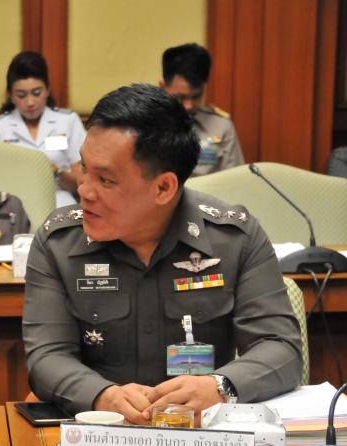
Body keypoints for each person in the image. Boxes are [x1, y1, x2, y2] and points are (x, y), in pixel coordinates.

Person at [23, 84, 302, 425]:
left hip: (203, 433)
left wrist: (220, 386)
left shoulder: (233, 239)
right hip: (99, 429)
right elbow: (46, 356)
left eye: (106, 180)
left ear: (163, 187)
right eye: (84, 169)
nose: (84, 191)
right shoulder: (59, 242)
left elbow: (281, 348)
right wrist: (101, 395)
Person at [0, 51, 86, 208]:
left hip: (59, 198)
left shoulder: (68, 121)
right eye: (21, 95)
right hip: (13, 202)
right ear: (10, 95)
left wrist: (58, 173)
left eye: (36, 93)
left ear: (48, 90)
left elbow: (82, 182)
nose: (30, 102)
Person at [160, 43, 244, 176]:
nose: (189, 105)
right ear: (162, 87)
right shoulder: (145, 126)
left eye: (196, 96)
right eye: (180, 97)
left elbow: (236, 180)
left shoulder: (221, 128)